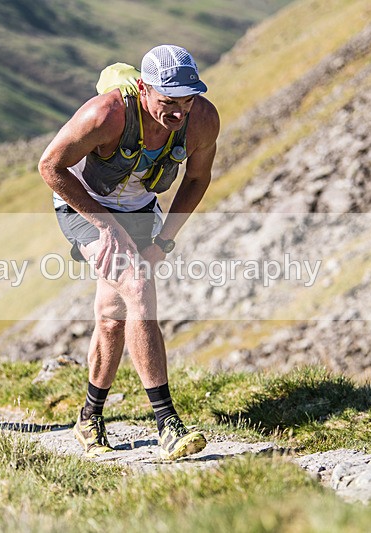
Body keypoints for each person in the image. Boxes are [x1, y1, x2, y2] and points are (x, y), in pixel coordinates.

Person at [38, 45, 220, 460]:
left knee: (111, 317)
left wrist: (163, 242)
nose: (179, 112)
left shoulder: (203, 120)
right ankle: (167, 424)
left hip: (139, 209)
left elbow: (197, 178)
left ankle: (88, 417)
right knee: (137, 287)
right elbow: (50, 167)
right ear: (143, 88)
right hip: (84, 203)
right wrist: (106, 226)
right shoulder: (106, 114)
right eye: (167, 102)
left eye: (187, 100)